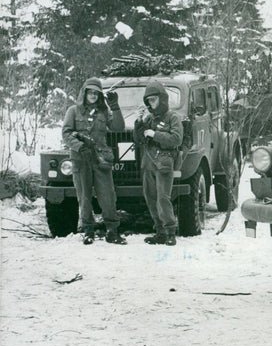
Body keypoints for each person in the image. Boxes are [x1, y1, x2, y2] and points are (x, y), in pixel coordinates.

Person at [62, 78, 125, 244]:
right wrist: (79, 146)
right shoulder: (73, 111)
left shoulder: (103, 112)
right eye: (90, 92)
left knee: (108, 195)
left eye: (96, 93)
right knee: (84, 196)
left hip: (100, 159)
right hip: (81, 159)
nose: (93, 95)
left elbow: (118, 128)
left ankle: (112, 230)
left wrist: (115, 107)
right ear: (84, 93)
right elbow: (66, 133)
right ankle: (88, 230)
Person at [134, 81, 183, 246]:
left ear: (162, 99)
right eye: (148, 101)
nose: (150, 103)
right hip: (148, 163)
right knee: (150, 197)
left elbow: (176, 139)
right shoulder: (149, 118)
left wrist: (155, 134)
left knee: (163, 198)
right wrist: (139, 122)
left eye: (153, 100)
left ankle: (170, 232)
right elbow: (138, 139)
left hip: (164, 163)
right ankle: (160, 232)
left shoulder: (173, 117)